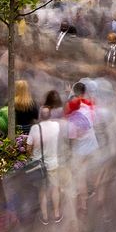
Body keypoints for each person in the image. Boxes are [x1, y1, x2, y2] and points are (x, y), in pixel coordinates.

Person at [29, 94, 68, 222]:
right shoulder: (56, 126)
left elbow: (29, 148)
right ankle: (56, 213)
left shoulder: (35, 129)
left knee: (42, 191)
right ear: (50, 115)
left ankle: (45, 216)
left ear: (40, 116)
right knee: (54, 188)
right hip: (53, 163)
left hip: (39, 165)